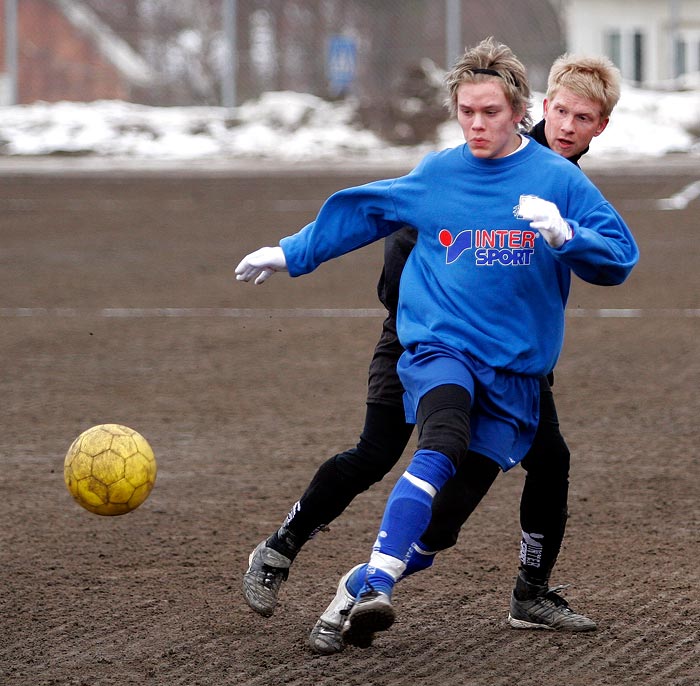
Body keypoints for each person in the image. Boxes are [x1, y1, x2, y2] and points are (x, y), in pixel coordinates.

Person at [235, 38, 637, 651]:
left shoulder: (559, 182)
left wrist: (566, 236)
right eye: (467, 112)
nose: (477, 124)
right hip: (425, 341)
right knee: (392, 449)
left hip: (513, 367)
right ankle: (291, 550)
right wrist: (295, 253)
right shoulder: (442, 174)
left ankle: (359, 589)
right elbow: (371, 212)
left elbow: (617, 257)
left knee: (452, 516)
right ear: (542, 108)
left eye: (490, 113)